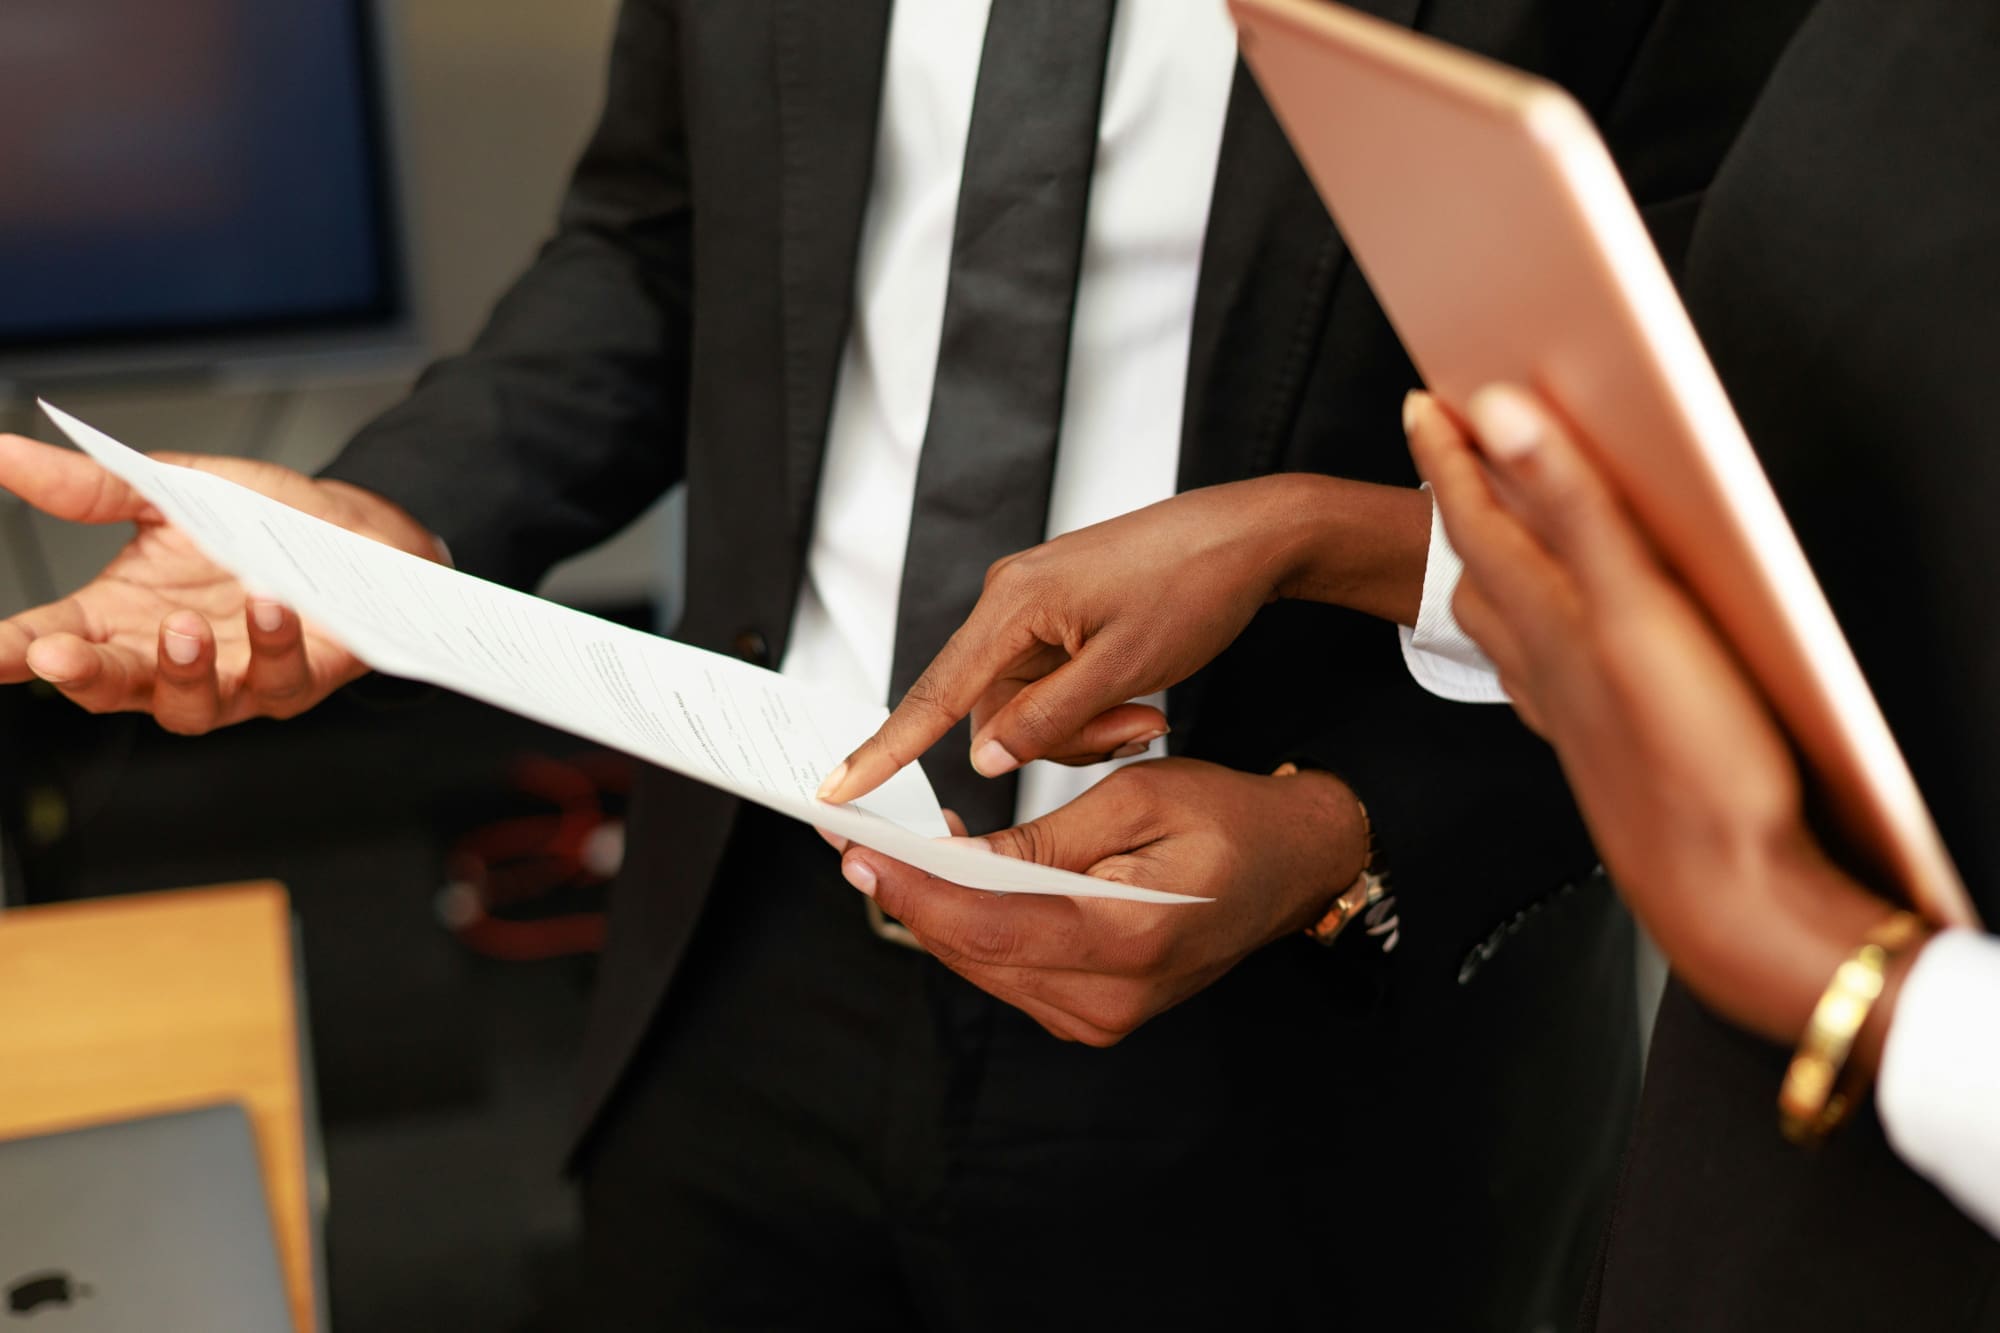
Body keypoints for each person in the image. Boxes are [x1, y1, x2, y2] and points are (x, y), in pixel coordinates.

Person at [0, 3, 1812, 1328]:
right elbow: (653, 249)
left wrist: (1352, 833)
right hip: (744, 937)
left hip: (1309, 1037)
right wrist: (376, 513)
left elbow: (1748, 484)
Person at [831, 0, 2000, 1327]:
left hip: (1776, 1156)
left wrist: (1826, 962)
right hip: (1755, 1152)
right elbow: (1775, 510)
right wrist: (1326, 534)